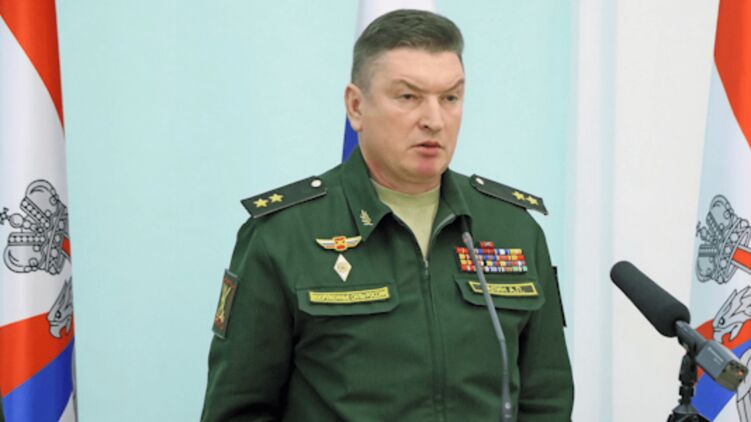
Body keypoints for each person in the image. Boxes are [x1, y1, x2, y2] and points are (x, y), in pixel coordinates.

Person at [201, 9, 573, 421]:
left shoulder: (514, 229)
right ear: (356, 106)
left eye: (450, 98)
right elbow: (238, 410)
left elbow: (548, 399)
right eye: (408, 97)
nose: (434, 120)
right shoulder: (283, 235)